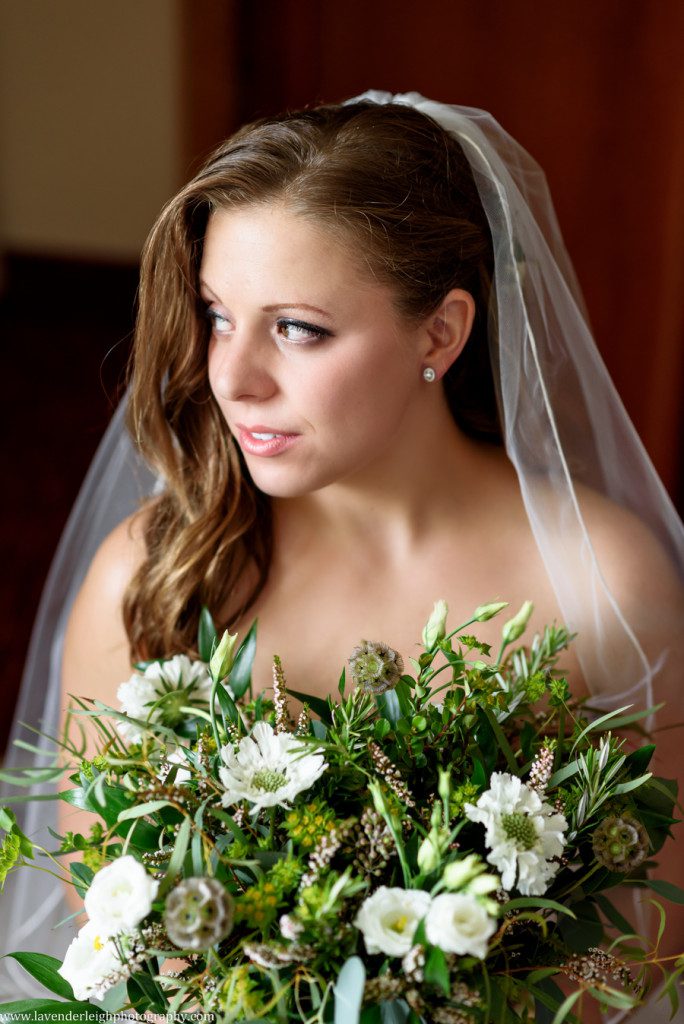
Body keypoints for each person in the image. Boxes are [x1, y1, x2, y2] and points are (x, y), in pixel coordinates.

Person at [2, 93, 683, 1015]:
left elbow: (648, 943)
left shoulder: (600, 581)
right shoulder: (158, 573)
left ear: (440, 332)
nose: (232, 377)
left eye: (298, 328)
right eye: (217, 315)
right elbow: (104, 911)